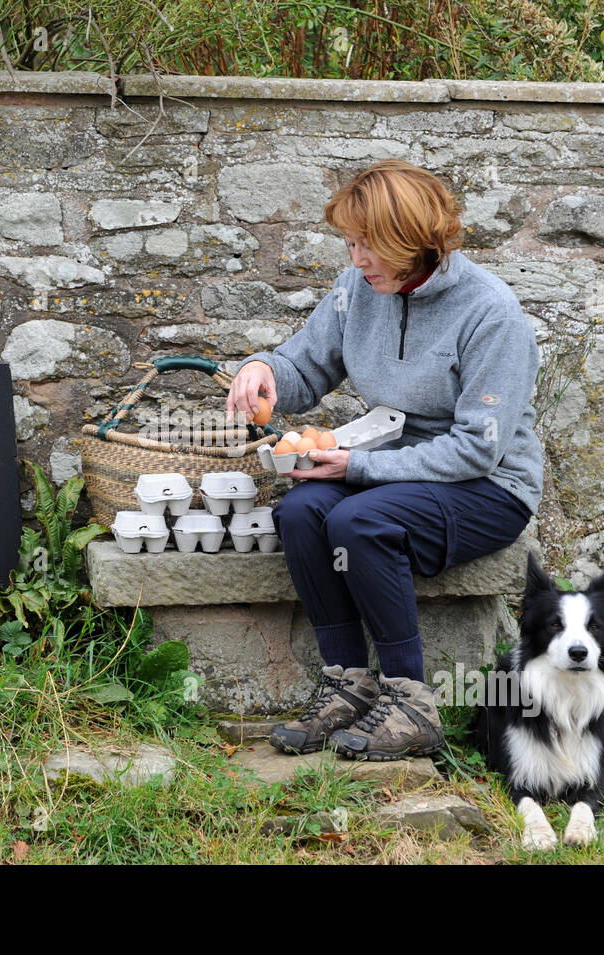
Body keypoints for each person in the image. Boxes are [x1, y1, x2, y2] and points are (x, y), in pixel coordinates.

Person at [226, 159, 543, 761]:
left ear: (413, 241)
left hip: (488, 487)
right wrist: (263, 368)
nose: (356, 259)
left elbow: (479, 447)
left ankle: (410, 704)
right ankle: (347, 684)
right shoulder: (359, 291)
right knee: (300, 511)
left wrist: (357, 467)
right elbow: (305, 367)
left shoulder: (491, 315)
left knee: (356, 520)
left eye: (369, 245)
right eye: (350, 243)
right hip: (390, 474)